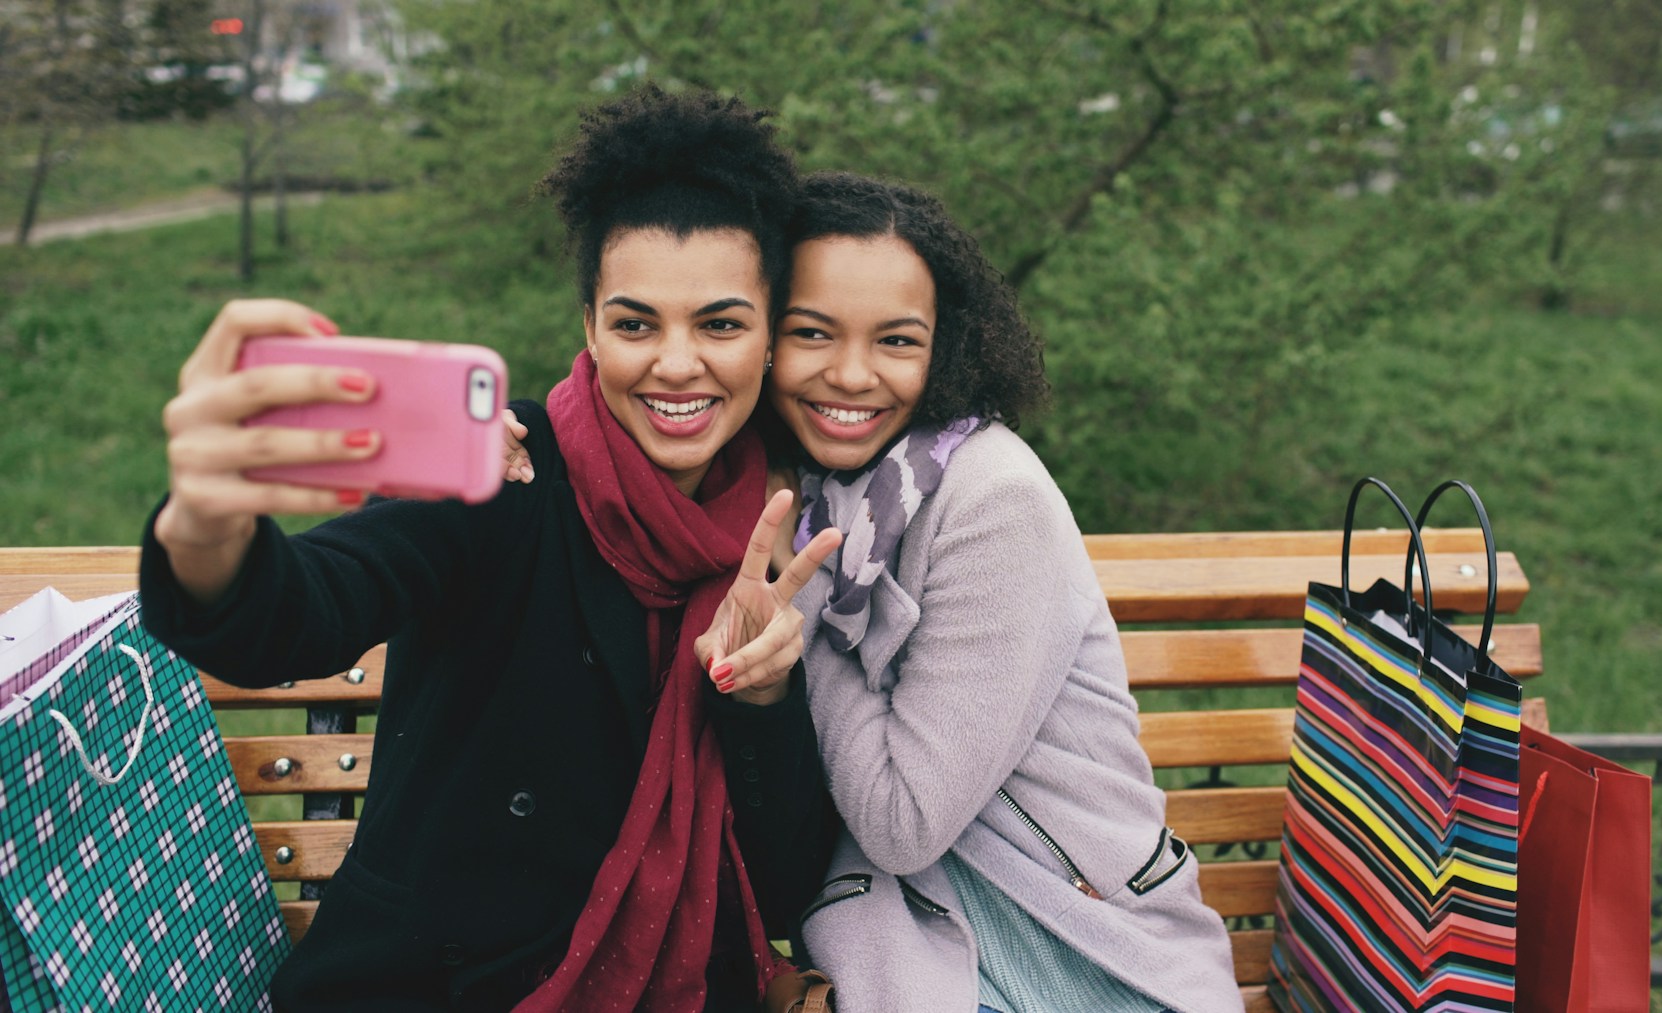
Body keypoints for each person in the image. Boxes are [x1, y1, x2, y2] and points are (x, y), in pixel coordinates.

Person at [138, 86, 839, 1012]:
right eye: (635, 323)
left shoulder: (782, 526)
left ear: (767, 340)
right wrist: (206, 521)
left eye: (720, 323)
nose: (676, 363)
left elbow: (789, 886)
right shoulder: (499, 470)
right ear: (588, 327)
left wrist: (763, 698)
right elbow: (295, 617)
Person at [509, 172, 1245, 1011]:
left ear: (945, 347)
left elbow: (903, 822)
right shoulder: (783, 482)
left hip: (1079, 944)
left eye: (896, 341)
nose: (851, 376)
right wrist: (503, 437)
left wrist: (801, 602)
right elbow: (629, 420)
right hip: (909, 951)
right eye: (813, 333)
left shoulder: (991, 498)